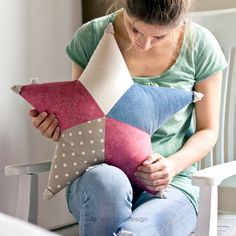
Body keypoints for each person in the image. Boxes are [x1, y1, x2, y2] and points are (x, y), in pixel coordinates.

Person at [29, 0, 227, 235]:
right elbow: (80, 117)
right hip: (97, 179)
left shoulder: (200, 46)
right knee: (107, 183)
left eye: (159, 37)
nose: (143, 44)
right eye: (135, 29)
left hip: (170, 185)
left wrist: (172, 166)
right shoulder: (92, 37)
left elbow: (208, 130)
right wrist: (56, 126)